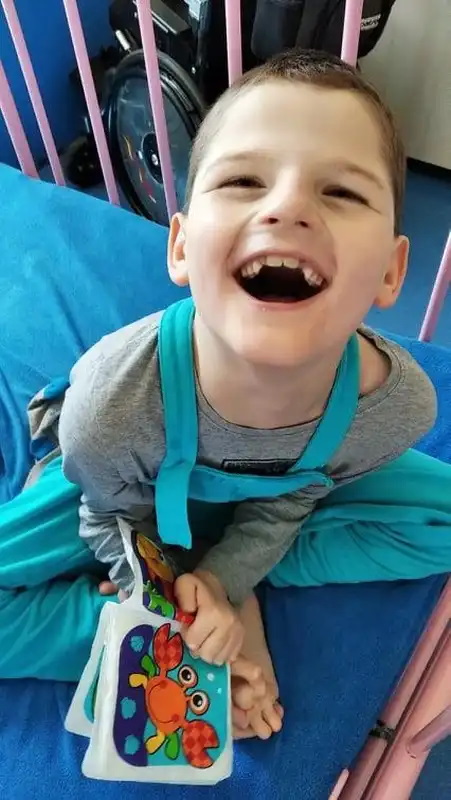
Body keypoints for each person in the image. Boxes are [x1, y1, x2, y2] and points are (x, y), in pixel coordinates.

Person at [2, 50, 450, 741]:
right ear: (181, 247)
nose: (288, 207)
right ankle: (151, 624)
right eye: (243, 180)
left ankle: (224, 579)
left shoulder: (393, 408)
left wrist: (226, 578)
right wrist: (175, 619)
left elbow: (297, 492)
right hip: (126, 491)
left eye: (339, 192)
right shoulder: (111, 408)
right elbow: (110, 518)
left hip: (261, 495)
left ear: (391, 272)